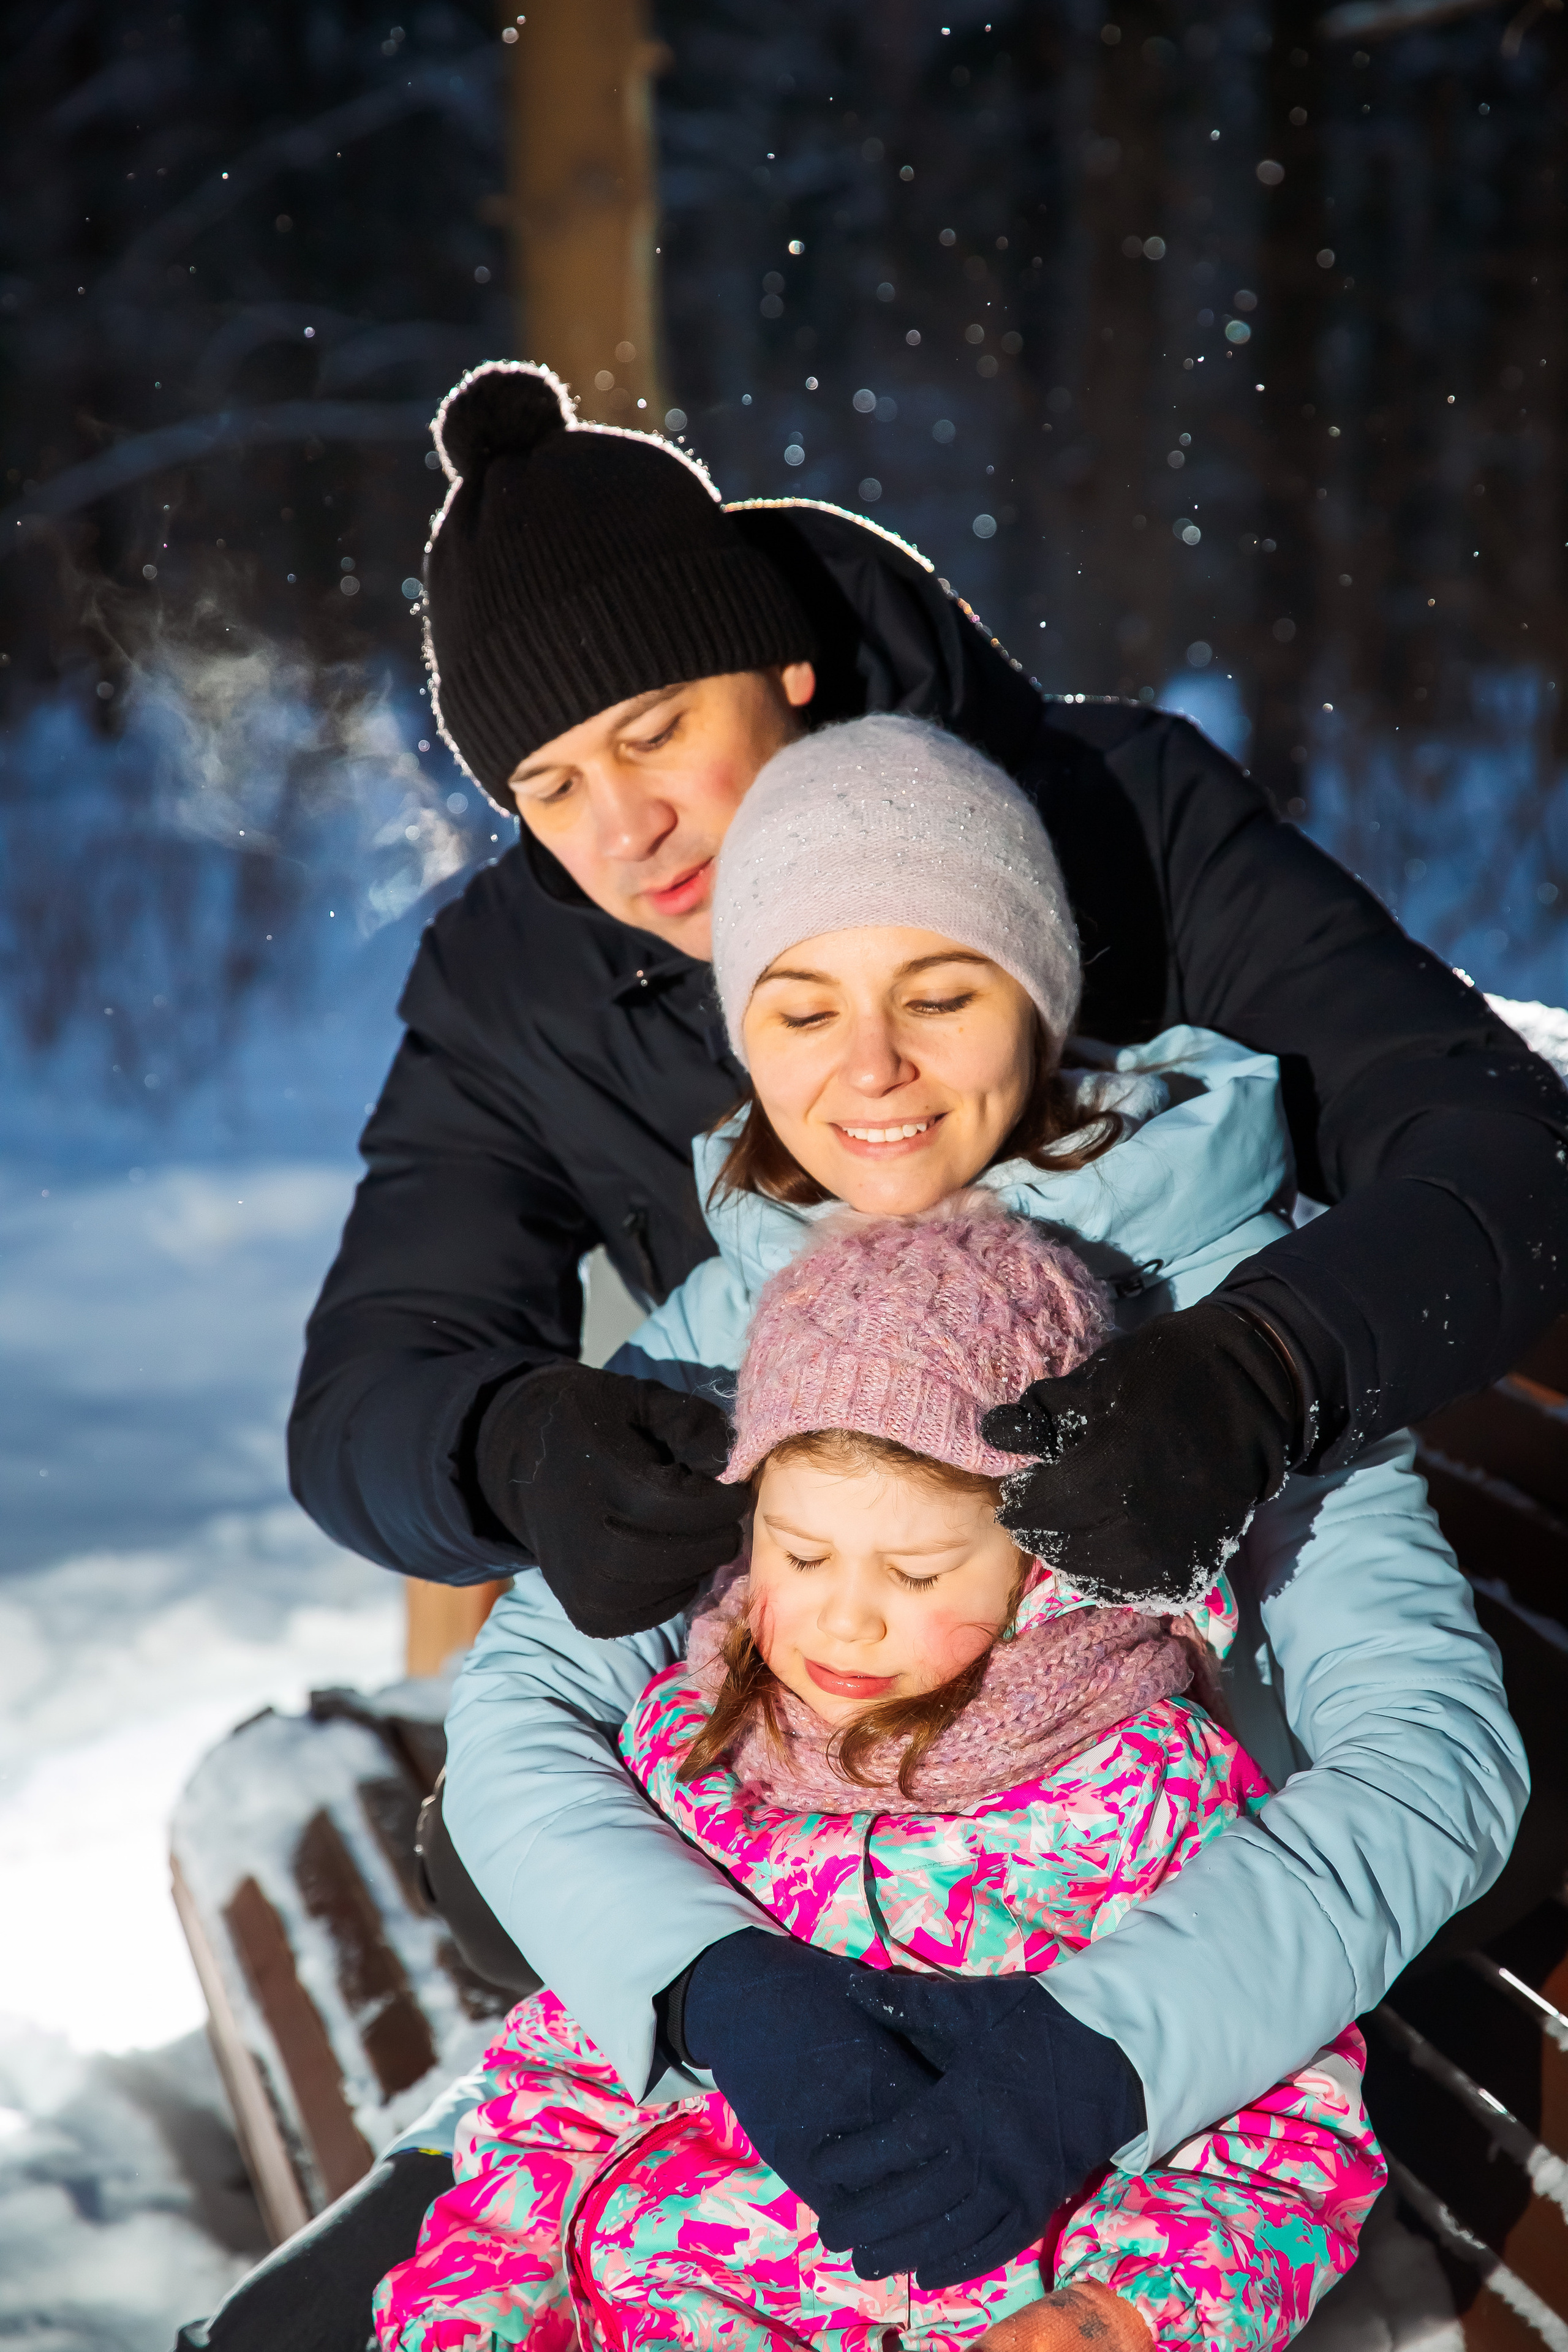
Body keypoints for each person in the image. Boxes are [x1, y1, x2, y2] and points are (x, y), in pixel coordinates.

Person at [372, 1203, 1386, 2352]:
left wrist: (1119, 2318)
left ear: (1036, 1560)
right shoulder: (695, 1743)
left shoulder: (1136, 1790)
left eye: (915, 1572)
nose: (845, 1619)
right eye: (801, 1554)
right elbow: (571, 2068)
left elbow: (1278, 2114)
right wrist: (480, 2300)